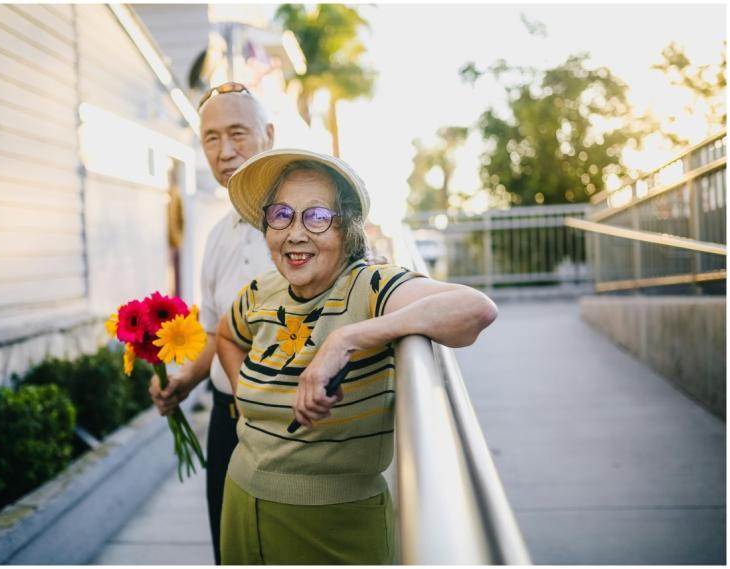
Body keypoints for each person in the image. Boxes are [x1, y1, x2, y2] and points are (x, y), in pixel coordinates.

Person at [215, 149, 498, 564]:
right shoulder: (261, 291)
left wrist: (345, 339)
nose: (294, 233)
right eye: (281, 215)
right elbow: (226, 335)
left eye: (316, 217)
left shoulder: (370, 286)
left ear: (347, 229)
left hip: (336, 525)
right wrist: (244, 397)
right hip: (239, 500)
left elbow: (475, 310)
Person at [148, 82, 275, 565]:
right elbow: (216, 327)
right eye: (211, 138)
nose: (224, 152)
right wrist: (184, 380)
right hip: (226, 421)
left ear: (268, 134)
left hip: (289, 426)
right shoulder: (218, 235)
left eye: (237, 134)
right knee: (230, 550)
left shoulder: (304, 223)